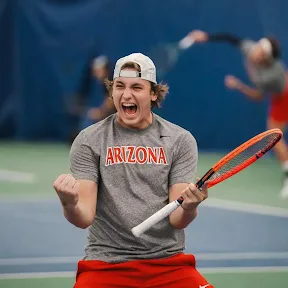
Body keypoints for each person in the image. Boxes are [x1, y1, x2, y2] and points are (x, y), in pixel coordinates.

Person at [53, 52, 213, 288]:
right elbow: (84, 216)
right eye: (120, 86)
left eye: (136, 87)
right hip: (107, 265)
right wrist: (68, 203)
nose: (126, 95)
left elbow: (178, 220)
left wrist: (190, 206)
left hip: (168, 265)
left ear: (153, 94)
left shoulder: (179, 140)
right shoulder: (89, 140)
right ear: (112, 91)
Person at [187, 30, 288, 198]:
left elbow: (257, 96)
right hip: (278, 96)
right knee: (275, 136)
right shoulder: (251, 48)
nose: (256, 53)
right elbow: (231, 38)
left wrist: (238, 85)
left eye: (261, 54)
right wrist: (207, 36)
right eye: (258, 49)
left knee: (275, 137)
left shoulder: (271, 76)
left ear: (266, 59)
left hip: (284, 95)